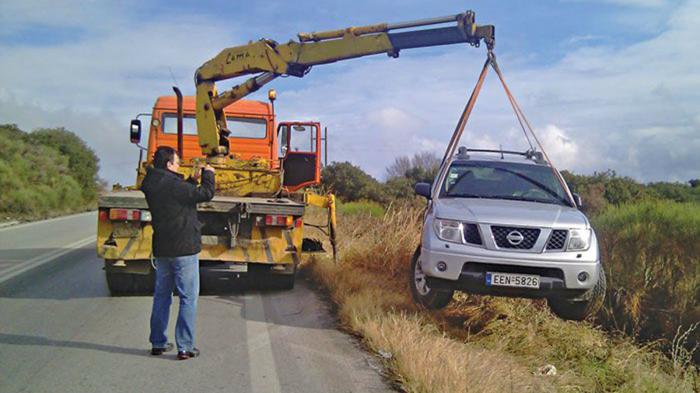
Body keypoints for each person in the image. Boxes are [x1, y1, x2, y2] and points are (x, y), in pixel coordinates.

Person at [140, 146, 215, 360]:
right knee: (188, 297)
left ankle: (158, 342)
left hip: (163, 248)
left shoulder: (151, 183)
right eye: (177, 162)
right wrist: (209, 174)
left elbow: (180, 196)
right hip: (184, 248)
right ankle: (185, 346)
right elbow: (205, 194)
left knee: (162, 296)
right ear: (168, 164)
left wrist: (192, 179)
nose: (179, 165)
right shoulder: (173, 185)